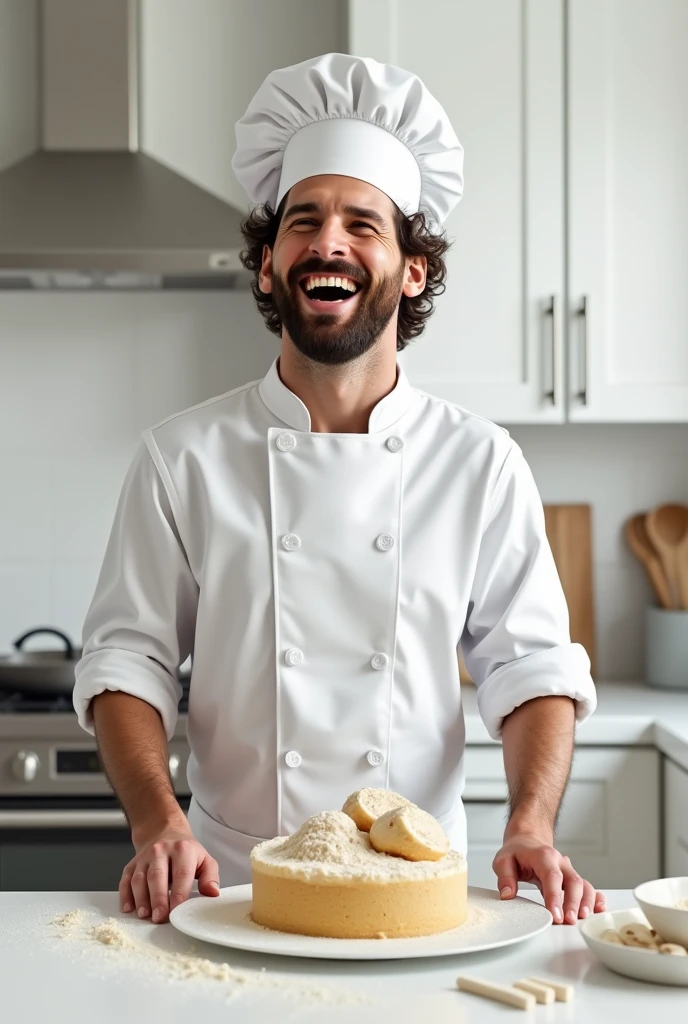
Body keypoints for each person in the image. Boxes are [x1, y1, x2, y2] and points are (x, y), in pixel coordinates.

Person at [74, 52, 605, 927]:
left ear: (414, 269)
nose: (329, 242)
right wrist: (156, 826)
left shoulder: (481, 462)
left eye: (364, 223)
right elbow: (128, 662)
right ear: (267, 264)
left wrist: (533, 825)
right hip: (224, 891)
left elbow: (533, 668)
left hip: (420, 896)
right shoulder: (184, 458)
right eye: (303, 220)